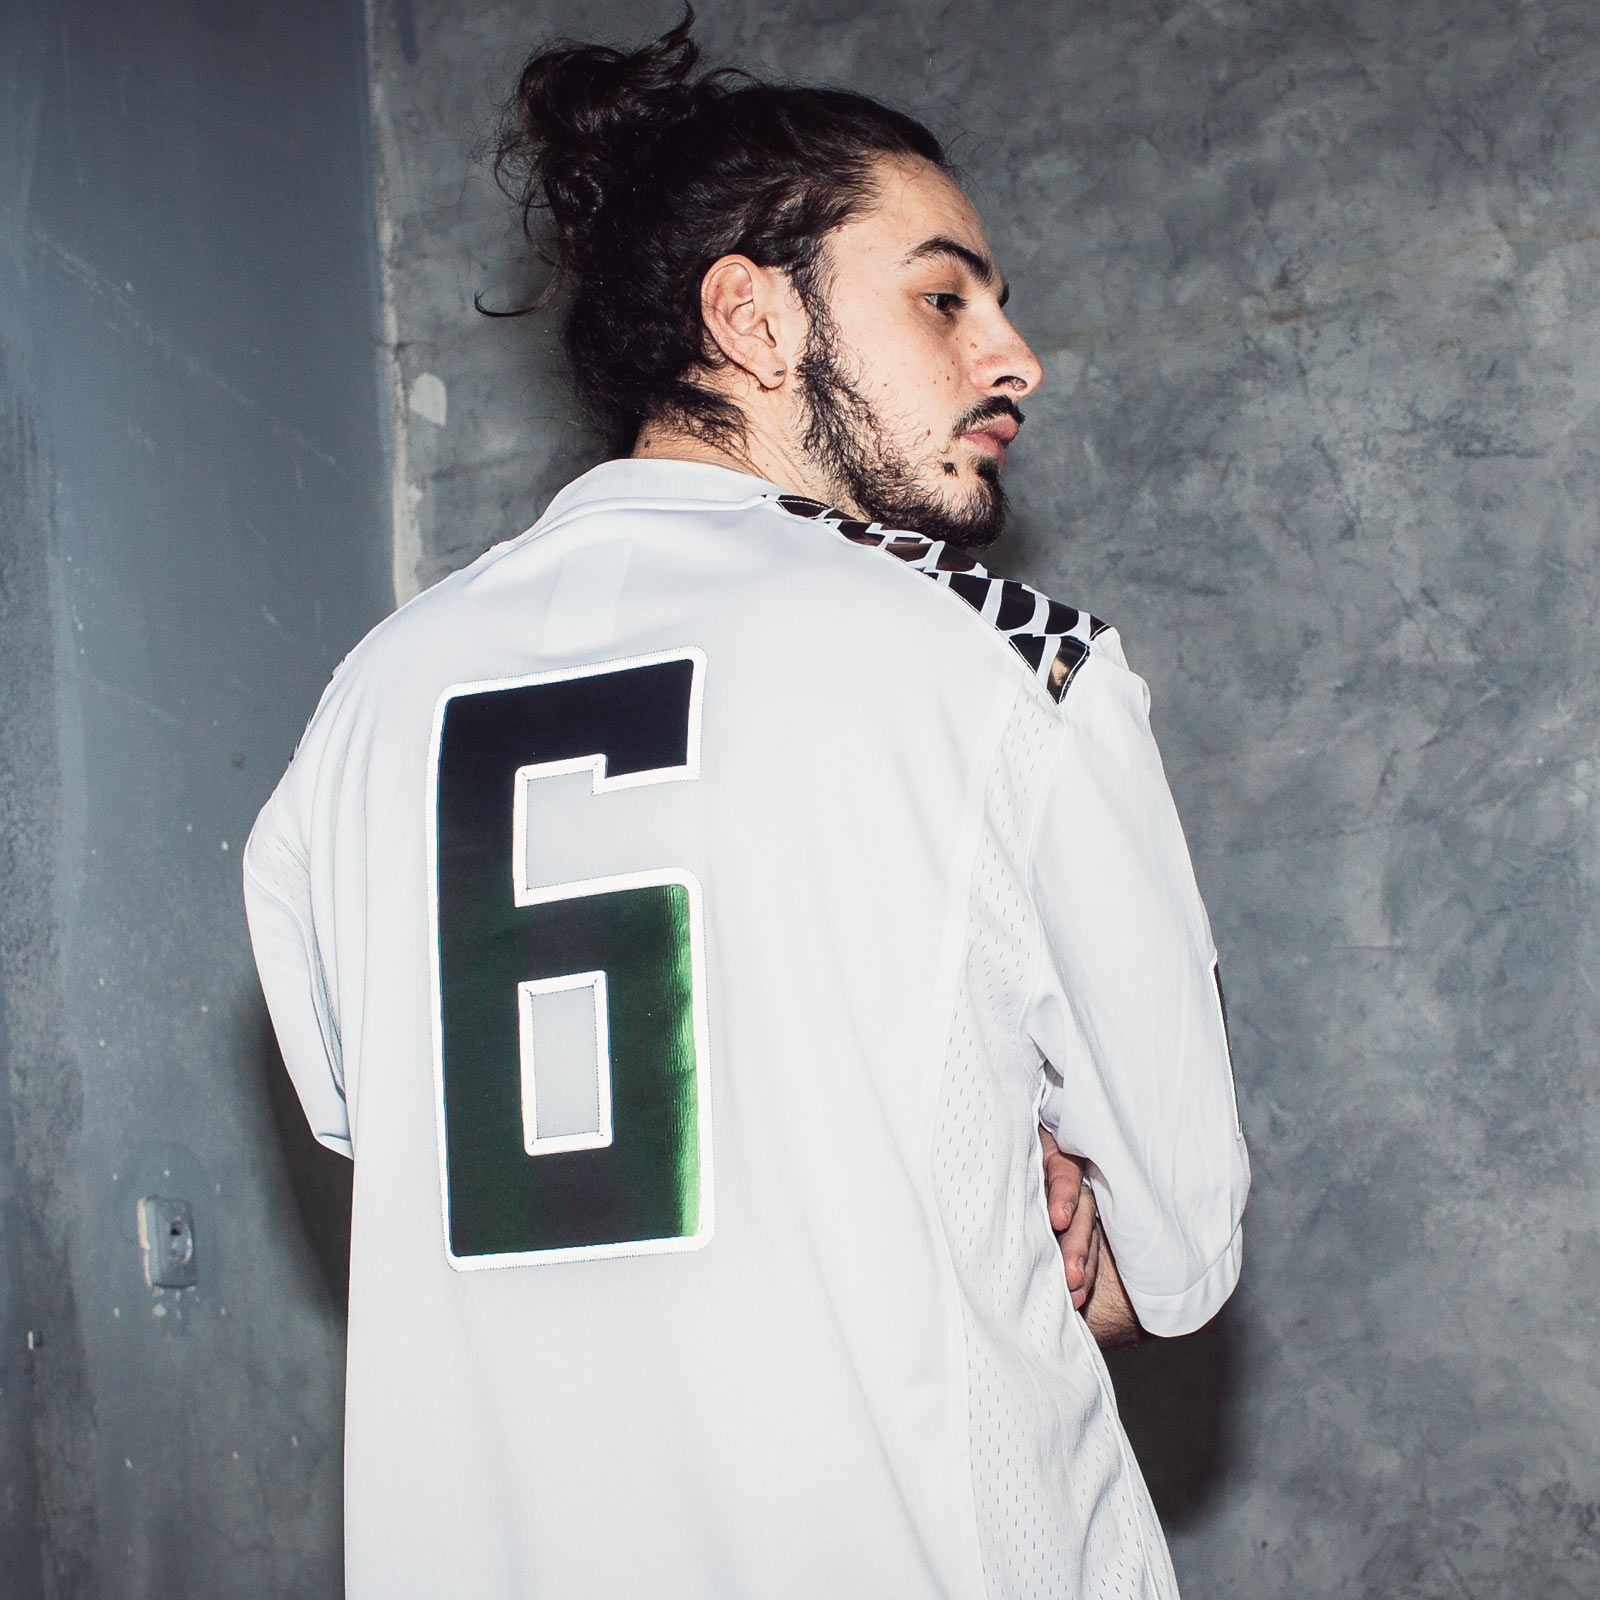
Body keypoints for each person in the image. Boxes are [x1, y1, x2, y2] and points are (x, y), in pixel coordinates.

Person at [243, 15, 1249, 1598]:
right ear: (751, 317)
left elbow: (394, 1123)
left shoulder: (366, 701)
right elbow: (1176, 1251)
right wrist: (1047, 1180)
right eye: (944, 297)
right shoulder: (1015, 661)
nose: (1014, 357)